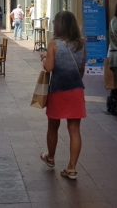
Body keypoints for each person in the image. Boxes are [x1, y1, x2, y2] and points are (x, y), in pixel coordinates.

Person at [39, 11, 86, 180]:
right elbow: (81, 71)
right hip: (76, 91)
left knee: (53, 126)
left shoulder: (53, 44)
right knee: (74, 130)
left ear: (59, 25)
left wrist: (45, 58)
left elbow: (48, 68)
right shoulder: (81, 44)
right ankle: (72, 168)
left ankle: (50, 158)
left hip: (58, 90)